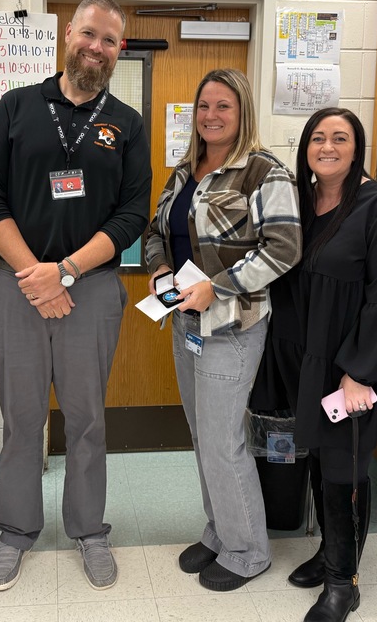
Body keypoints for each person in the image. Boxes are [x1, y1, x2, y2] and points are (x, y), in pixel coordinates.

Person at [0, 0, 152, 592]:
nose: (95, 47)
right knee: (23, 421)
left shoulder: (126, 122)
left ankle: (88, 529)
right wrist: (35, 275)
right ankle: (15, 532)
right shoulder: (18, 106)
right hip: (19, 288)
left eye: (108, 40)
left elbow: (131, 215)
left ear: (118, 50)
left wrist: (66, 271)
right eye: (88, 33)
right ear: (67, 34)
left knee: (87, 419)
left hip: (92, 290)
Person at [253, 108, 377, 621]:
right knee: (316, 457)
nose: (327, 147)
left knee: (344, 466)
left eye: (340, 138)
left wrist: (359, 372)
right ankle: (330, 553)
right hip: (302, 357)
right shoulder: (298, 203)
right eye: (318, 138)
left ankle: (342, 583)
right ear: (305, 147)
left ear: (357, 147)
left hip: (352, 363)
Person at [144, 68, 302, 592]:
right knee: (202, 437)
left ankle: (248, 550)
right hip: (184, 321)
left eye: (224, 107)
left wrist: (221, 285)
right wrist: (159, 270)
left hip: (233, 324)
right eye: (204, 106)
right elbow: (155, 232)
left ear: (243, 112)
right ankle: (220, 531)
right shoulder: (184, 169)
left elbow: (283, 247)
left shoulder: (264, 171)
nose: (211, 116)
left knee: (223, 441)